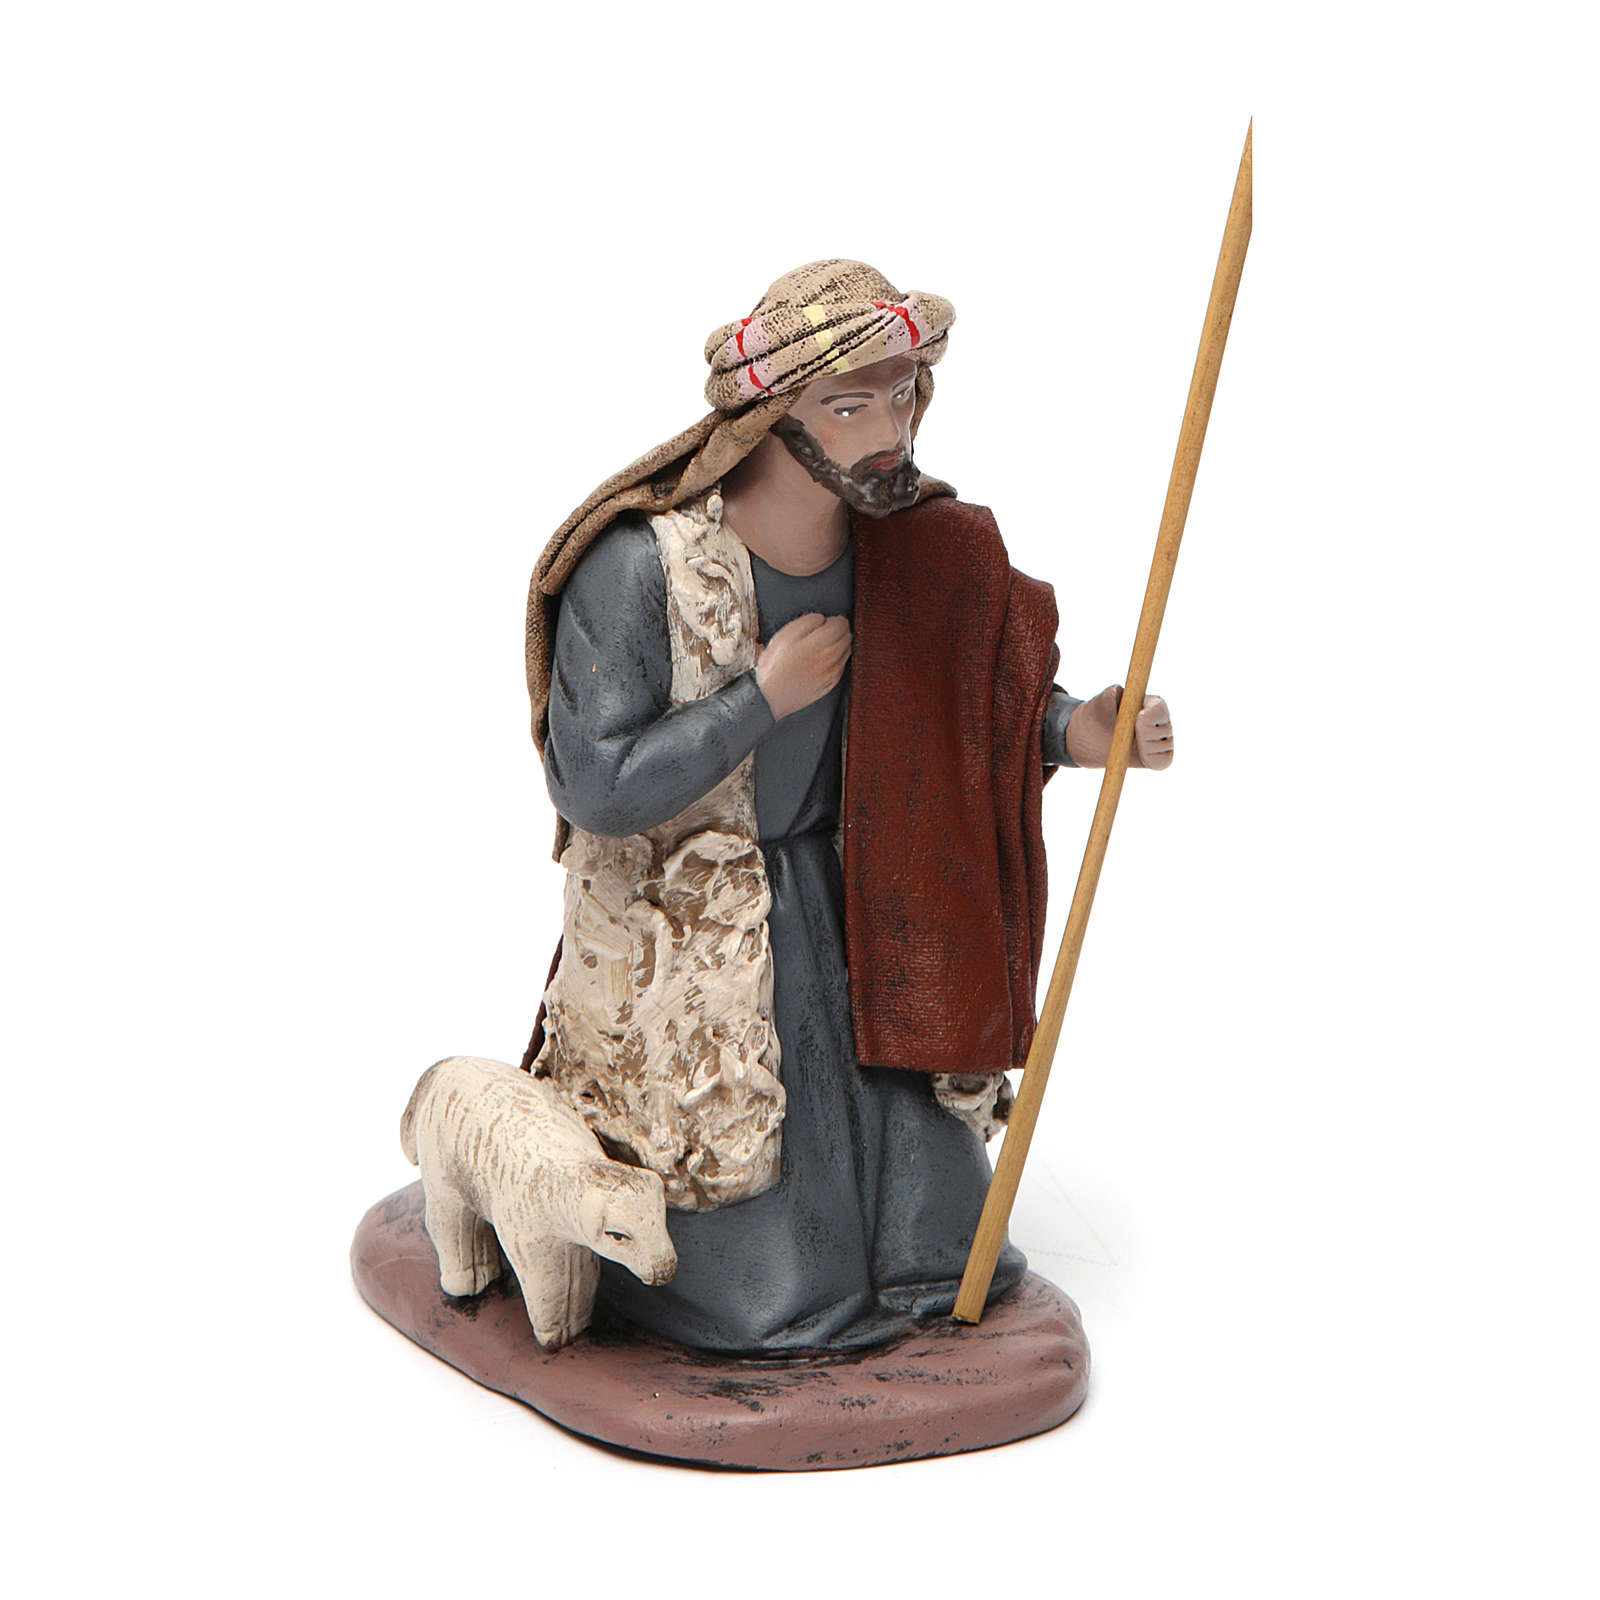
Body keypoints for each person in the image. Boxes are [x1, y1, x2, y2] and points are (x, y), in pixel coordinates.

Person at [521, 261, 1172, 1353]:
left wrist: (1080, 732)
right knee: (775, 1288)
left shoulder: (915, 548)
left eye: (903, 395)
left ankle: (907, 1256)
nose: (890, 432)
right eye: (850, 405)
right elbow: (594, 785)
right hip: (705, 930)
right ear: (770, 415)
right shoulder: (641, 570)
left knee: (941, 1244)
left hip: (874, 901)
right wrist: (758, 700)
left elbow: (970, 709)